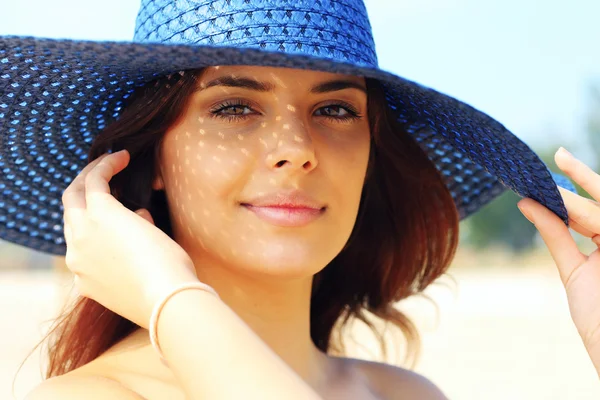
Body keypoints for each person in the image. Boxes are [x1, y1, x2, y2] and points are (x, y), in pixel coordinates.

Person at [1, 0, 598, 399]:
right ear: (153, 155)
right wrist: (169, 300)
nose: (296, 149)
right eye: (235, 106)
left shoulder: (404, 395)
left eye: (335, 109)